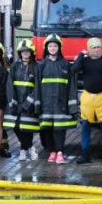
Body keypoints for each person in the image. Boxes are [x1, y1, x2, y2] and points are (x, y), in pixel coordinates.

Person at [73, 37, 102, 165]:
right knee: (85, 126)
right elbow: (74, 69)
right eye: (93, 47)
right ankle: (85, 154)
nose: (96, 49)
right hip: (87, 97)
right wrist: (81, 55)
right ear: (89, 49)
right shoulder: (84, 60)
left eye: (98, 47)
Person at [37, 34, 78, 164]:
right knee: (47, 129)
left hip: (61, 104)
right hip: (46, 103)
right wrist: (38, 104)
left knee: (60, 129)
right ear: (46, 48)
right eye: (50, 46)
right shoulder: (41, 65)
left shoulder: (65, 64)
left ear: (59, 48)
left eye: (55, 46)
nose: (53, 48)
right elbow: (37, 86)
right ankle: (52, 152)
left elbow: (71, 86)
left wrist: (72, 106)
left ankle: (60, 152)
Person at [4, 39, 40, 161]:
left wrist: (29, 101)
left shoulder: (36, 67)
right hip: (16, 101)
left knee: (27, 128)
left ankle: (23, 150)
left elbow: (38, 86)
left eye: (27, 51)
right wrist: (12, 101)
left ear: (31, 52)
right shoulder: (15, 66)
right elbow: (10, 84)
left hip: (29, 103)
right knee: (16, 127)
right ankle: (30, 147)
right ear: (20, 53)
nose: (25, 53)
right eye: (23, 51)